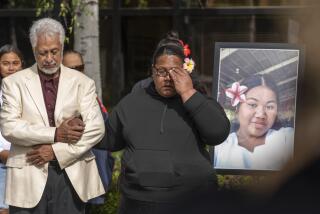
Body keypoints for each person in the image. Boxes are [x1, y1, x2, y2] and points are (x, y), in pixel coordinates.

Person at [106, 31, 230, 214]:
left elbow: (218, 133)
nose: (168, 78)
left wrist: (188, 93)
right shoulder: (131, 102)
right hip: (138, 201)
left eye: (175, 71)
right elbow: (109, 139)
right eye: (162, 71)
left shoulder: (198, 99)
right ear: (152, 71)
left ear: (186, 72)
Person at [0, 18, 105, 214]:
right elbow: (9, 127)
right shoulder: (13, 83)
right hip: (27, 174)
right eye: (43, 52)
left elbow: (96, 128)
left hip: (71, 174)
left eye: (54, 51)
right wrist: (56, 134)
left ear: (62, 47)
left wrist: (57, 151)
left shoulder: (83, 83)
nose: (49, 58)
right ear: (33, 50)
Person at [63, 50, 115, 209]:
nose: (77, 72)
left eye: (80, 67)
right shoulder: (58, 97)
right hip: (71, 172)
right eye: (71, 68)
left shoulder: (89, 92)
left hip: (95, 171)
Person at [214, 74, 294, 170]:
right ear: (237, 108)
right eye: (252, 104)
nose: (261, 114)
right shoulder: (219, 146)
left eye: (269, 107)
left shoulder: (287, 139)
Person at [0, 44, 24, 214]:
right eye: (5, 63)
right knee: (5, 209)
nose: (11, 68)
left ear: (22, 64)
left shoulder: (32, 92)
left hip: (28, 159)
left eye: (15, 63)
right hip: (2, 161)